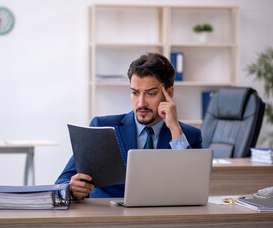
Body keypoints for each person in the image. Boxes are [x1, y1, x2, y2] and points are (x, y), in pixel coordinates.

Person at [55, 52, 203, 200]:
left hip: (161, 219)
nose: (141, 103)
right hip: (109, 219)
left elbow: (194, 188)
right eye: (135, 93)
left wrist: (175, 129)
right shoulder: (102, 127)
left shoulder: (189, 136)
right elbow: (61, 183)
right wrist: (72, 189)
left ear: (169, 93)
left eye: (151, 94)